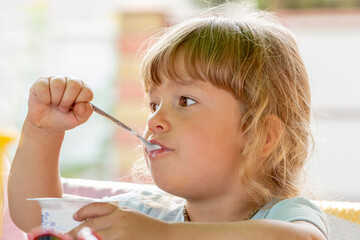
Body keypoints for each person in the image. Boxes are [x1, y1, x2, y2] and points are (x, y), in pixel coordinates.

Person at [8, 3, 329, 240]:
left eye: (185, 101)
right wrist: (41, 133)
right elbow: (40, 219)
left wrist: (161, 234)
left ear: (260, 134)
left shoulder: (286, 218)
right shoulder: (141, 214)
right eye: (153, 103)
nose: (155, 119)